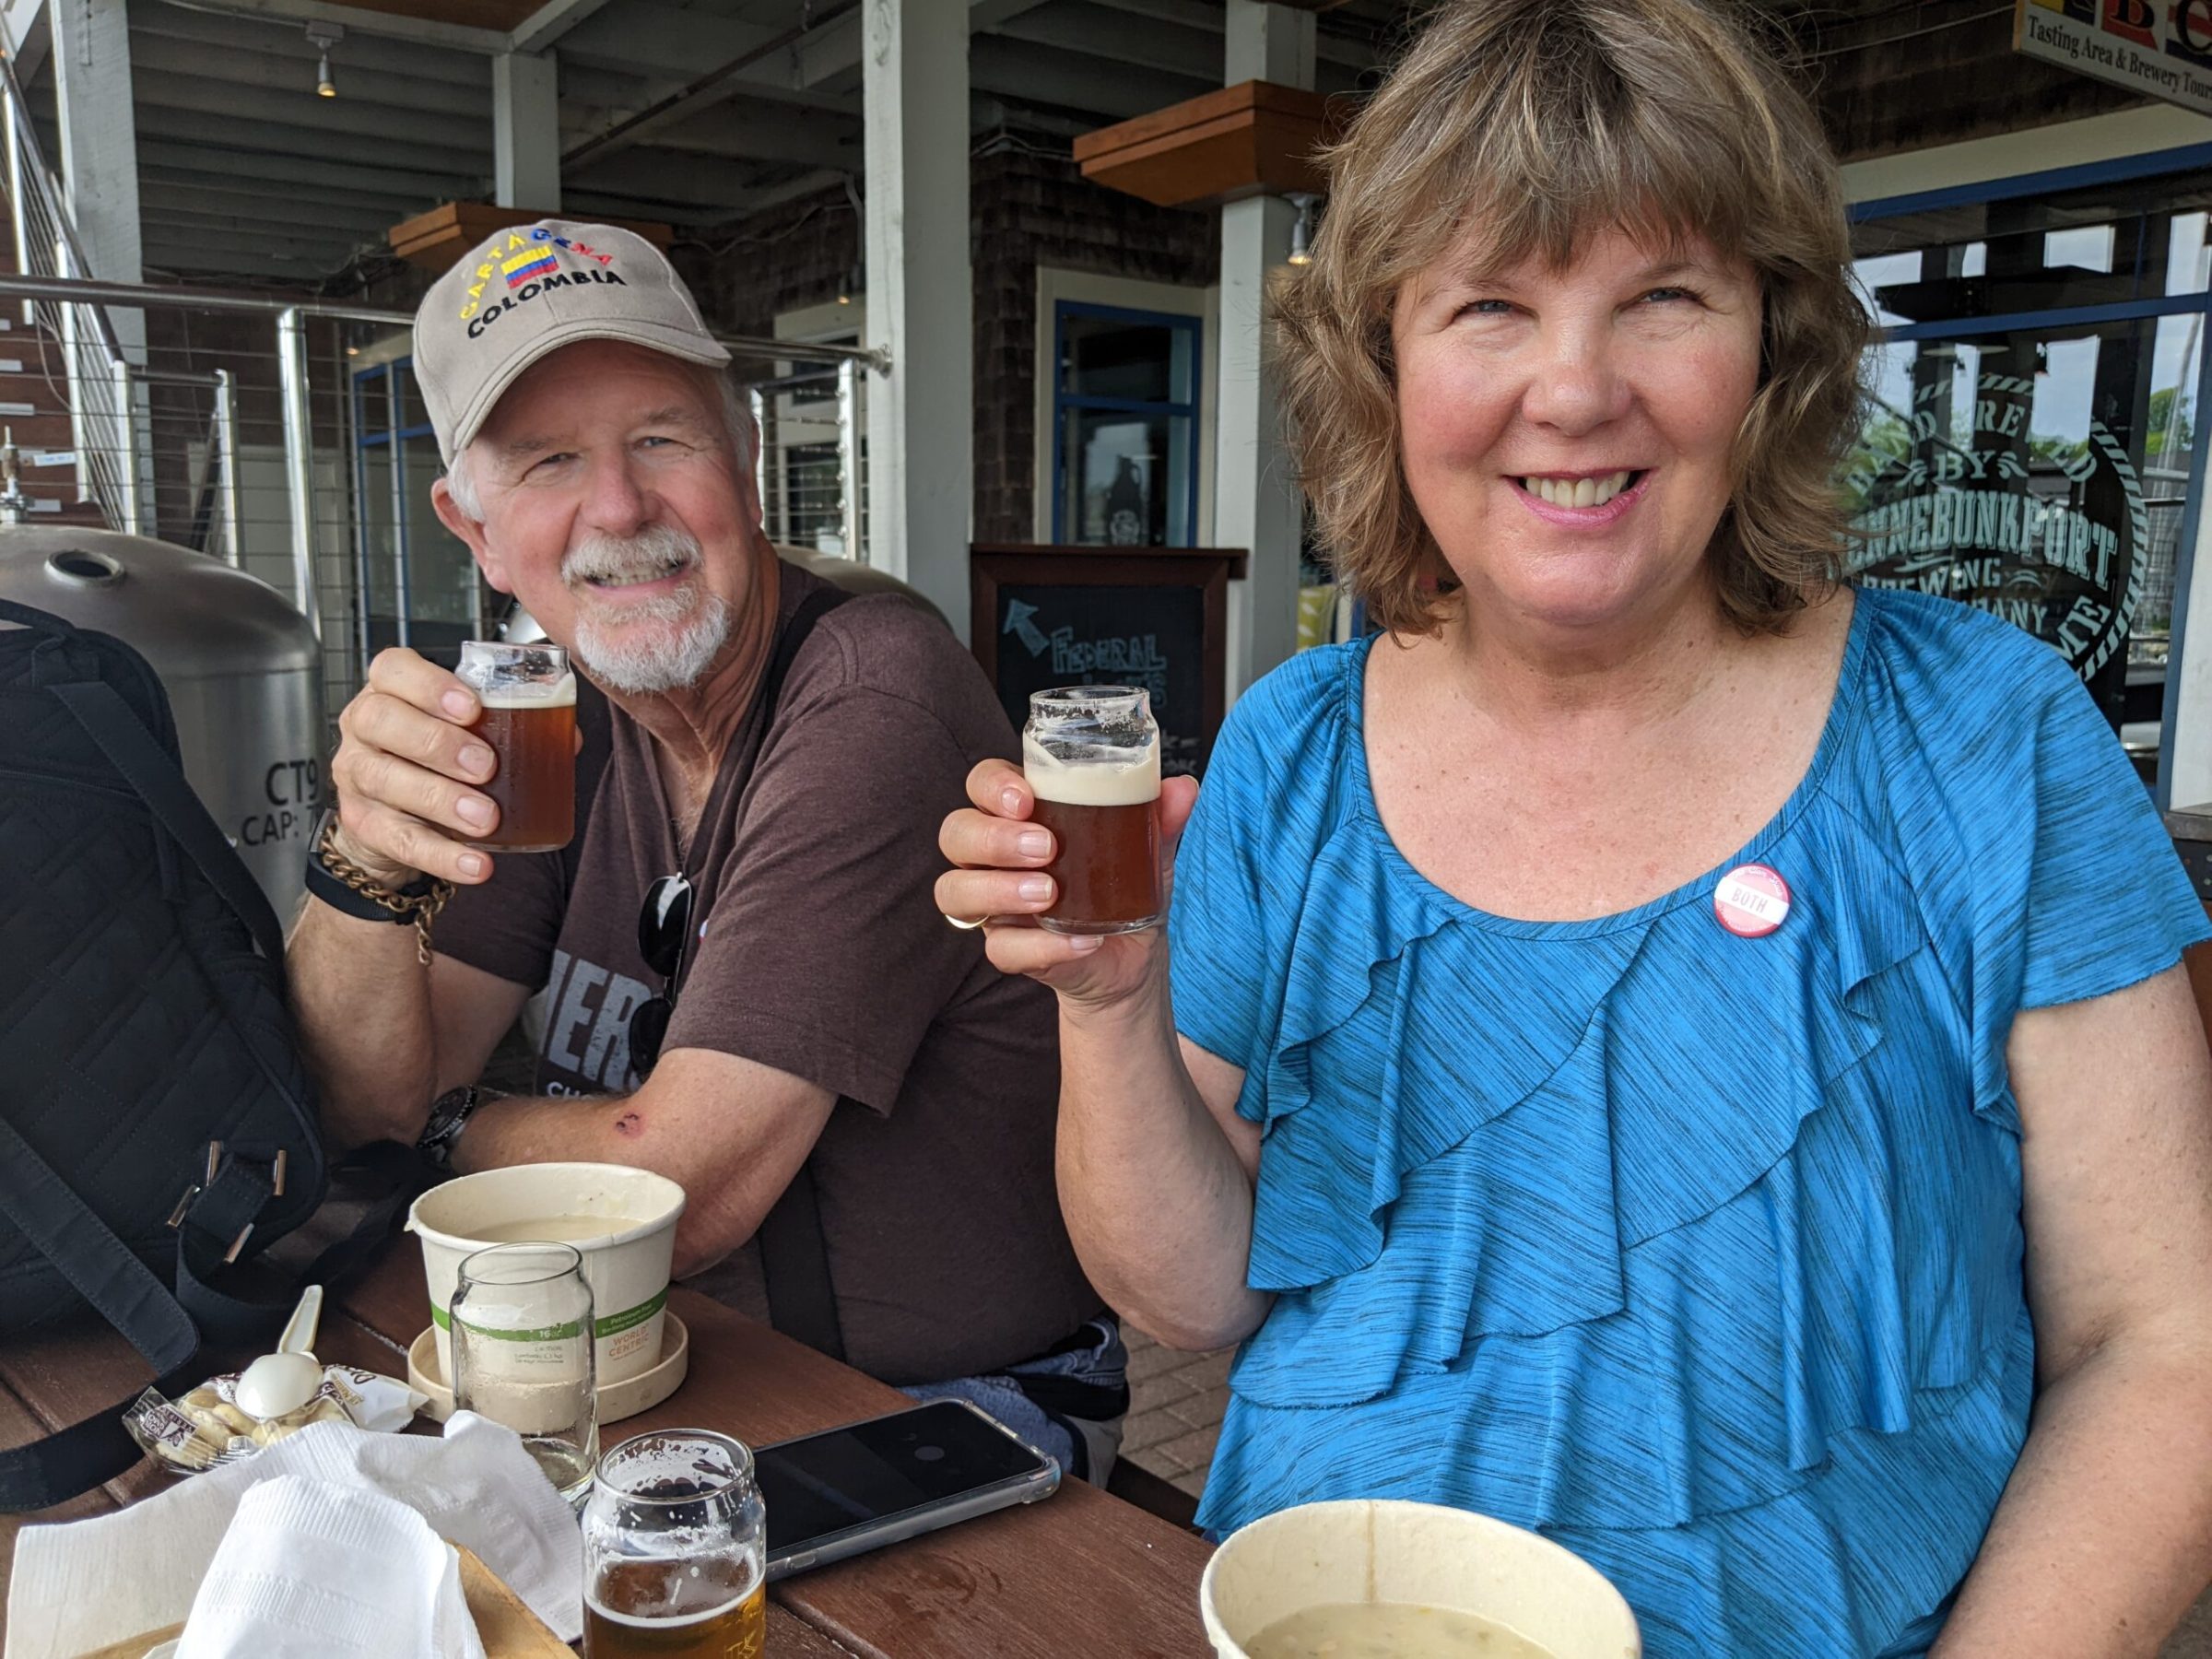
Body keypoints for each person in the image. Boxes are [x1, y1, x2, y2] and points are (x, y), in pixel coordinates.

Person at [935, 2, 2212, 1651]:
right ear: (1384, 360)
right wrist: (1108, 1006)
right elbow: (1188, 1297)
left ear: (1774, 343)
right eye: (1490, 306)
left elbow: (2166, 1343)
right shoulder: (1289, 754)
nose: (1575, 390)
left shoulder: (1984, 739)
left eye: (1663, 296)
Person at [288, 220, 1121, 1480]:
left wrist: (438, 1130)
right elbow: (358, 1100)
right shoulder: (550, 719)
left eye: (661, 439)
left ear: (744, 456)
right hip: (639, 1370)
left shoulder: (872, 695)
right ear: (475, 529)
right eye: (549, 460)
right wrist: (363, 859)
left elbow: (674, 1190)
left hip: (938, 1418)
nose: (619, 509)